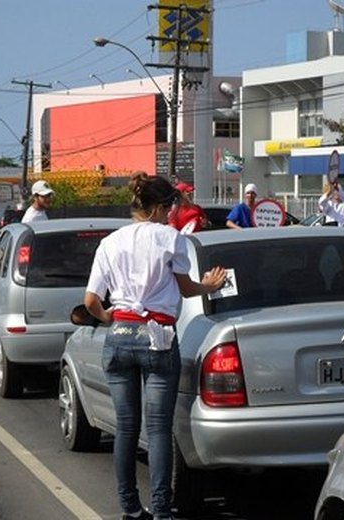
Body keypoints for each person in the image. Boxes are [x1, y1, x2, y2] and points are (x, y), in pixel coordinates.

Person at [84, 172, 227, 520]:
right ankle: (162, 510)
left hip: (118, 335)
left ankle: (130, 509)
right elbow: (185, 288)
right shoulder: (171, 238)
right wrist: (209, 285)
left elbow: (90, 301)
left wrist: (111, 319)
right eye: (172, 208)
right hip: (158, 337)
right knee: (159, 427)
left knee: (126, 426)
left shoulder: (110, 241)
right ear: (161, 208)